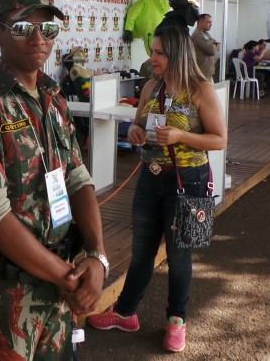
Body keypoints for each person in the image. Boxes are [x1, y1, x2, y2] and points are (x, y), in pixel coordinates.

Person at [0, 0, 107, 360]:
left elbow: (76, 177)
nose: (39, 38)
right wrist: (70, 278)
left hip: (61, 281)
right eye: (23, 28)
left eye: (48, 28)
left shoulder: (53, 98)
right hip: (8, 297)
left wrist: (97, 258)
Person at [87, 26, 227, 353]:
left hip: (187, 181)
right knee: (142, 250)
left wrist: (182, 137)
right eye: (153, 51)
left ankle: (177, 320)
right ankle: (125, 312)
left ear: (177, 54)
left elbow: (219, 139)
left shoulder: (200, 91)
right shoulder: (152, 86)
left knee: (180, 256)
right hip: (150, 177)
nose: (153, 58)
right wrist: (136, 131)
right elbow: (137, 123)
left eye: (159, 52)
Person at [191, 13, 219, 82]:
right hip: (202, 73)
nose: (211, 24)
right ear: (200, 22)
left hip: (206, 73)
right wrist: (217, 45)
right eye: (208, 22)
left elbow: (215, 43)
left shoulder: (206, 34)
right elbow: (212, 50)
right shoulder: (199, 35)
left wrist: (215, 44)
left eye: (211, 22)